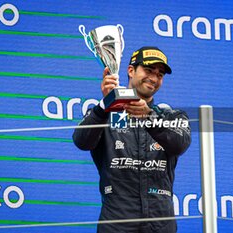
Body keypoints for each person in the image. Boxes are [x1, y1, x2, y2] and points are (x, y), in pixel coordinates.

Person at [73, 46, 191, 233]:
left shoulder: (172, 116)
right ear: (130, 71)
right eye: (149, 70)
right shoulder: (104, 113)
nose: (154, 78)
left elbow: (180, 144)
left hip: (161, 222)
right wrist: (106, 104)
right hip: (116, 220)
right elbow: (82, 141)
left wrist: (149, 118)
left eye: (160, 75)